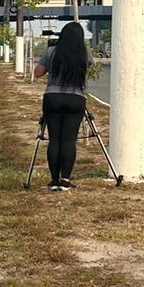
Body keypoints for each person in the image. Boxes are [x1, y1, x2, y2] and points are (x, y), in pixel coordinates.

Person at [33, 20, 91, 191]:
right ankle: (65, 179)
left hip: (52, 98)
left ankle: (54, 179)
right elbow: (88, 66)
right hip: (75, 98)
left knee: (55, 139)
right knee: (68, 140)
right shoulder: (84, 53)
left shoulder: (51, 51)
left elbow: (38, 73)